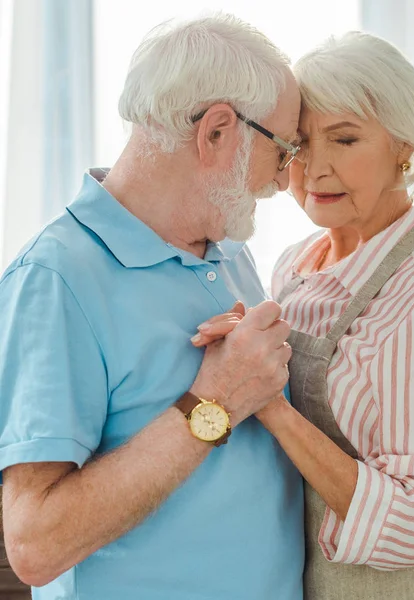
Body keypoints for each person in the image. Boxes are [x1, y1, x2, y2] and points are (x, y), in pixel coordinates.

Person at [0, 14, 306, 600]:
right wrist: (211, 404)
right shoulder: (55, 278)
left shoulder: (230, 250)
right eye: (284, 149)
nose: (283, 179)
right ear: (218, 131)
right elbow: (35, 546)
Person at [196, 32, 414, 600]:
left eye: (344, 139)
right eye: (299, 145)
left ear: (403, 149)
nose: (314, 169)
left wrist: (267, 402)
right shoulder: (296, 264)